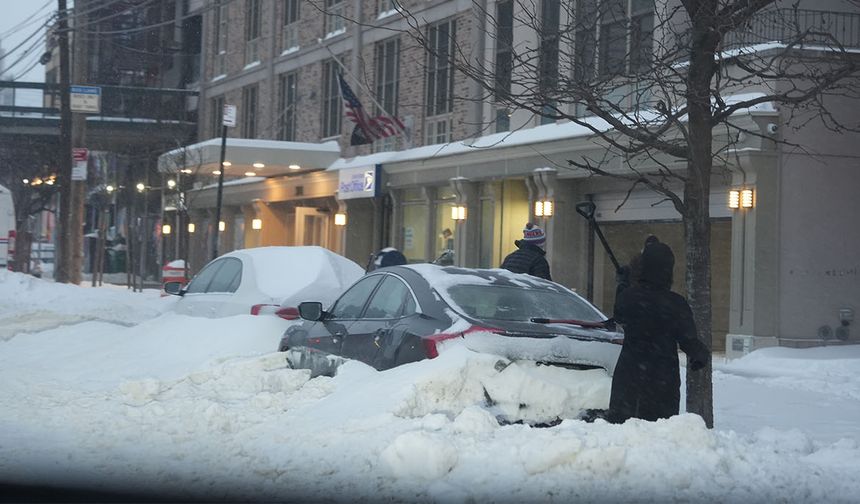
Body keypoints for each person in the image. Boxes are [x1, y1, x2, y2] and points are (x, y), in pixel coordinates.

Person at [608, 240, 709, 423]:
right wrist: (698, 354)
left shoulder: (629, 297)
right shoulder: (676, 303)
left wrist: (623, 284)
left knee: (622, 431)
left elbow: (620, 316)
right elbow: (688, 339)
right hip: (662, 377)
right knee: (659, 431)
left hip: (629, 373)